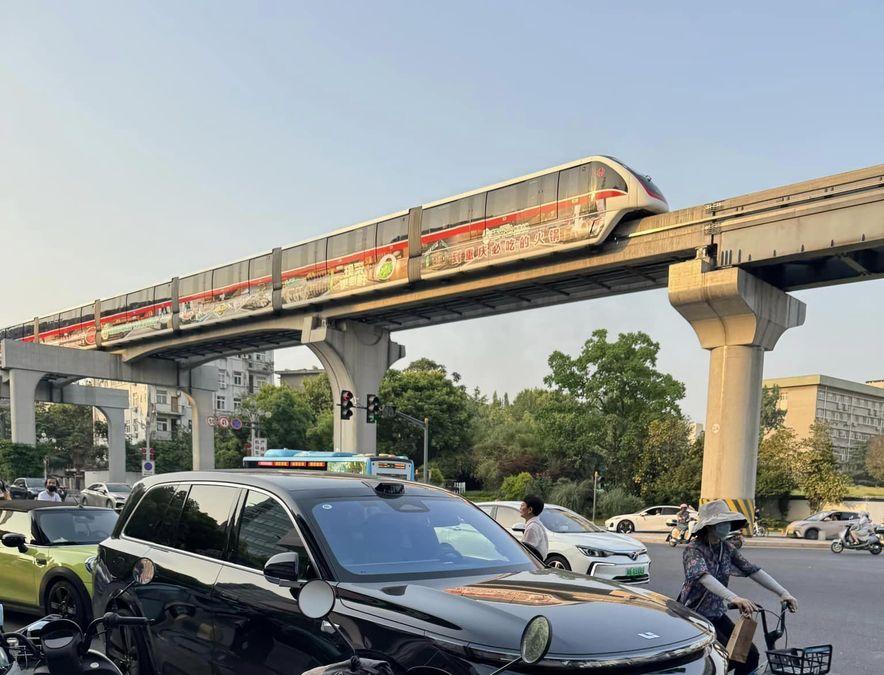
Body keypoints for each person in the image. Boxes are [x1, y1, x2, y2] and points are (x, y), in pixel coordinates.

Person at [677, 500, 797, 675]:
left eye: (728, 522)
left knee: (749, 655)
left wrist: (784, 592)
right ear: (710, 526)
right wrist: (734, 598)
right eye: (722, 523)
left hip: (716, 613)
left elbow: (753, 570)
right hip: (694, 615)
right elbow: (704, 577)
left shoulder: (726, 548)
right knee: (722, 658)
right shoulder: (693, 550)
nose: (727, 526)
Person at [519, 494, 548, 560]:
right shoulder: (536, 524)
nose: (520, 507)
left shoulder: (532, 527)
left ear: (530, 510)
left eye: (522, 505)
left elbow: (526, 551)